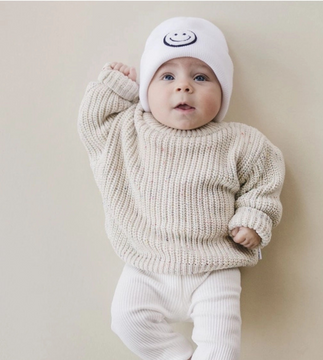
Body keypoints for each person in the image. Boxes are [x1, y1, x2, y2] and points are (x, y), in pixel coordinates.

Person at [78, 17, 285, 360]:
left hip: (214, 269)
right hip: (146, 264)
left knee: (222, 347)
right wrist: (115, 85)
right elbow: (92, 124)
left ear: (223, 90)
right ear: (146, 88)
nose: (183, 87)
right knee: (127, 320)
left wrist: (252, 218)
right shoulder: (130, 130)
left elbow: (264, 181)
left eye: (201, 77)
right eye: (167, 76)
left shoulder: (238, 140)